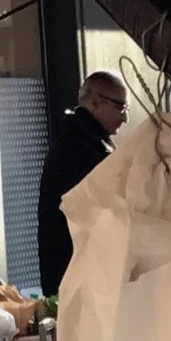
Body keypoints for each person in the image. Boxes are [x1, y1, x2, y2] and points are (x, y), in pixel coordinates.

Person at [36, 70, 127, 292]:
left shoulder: (86, 143)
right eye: (120, 107)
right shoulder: (77, 150)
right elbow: (101, 211)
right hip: (74, 274)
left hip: (73, 272)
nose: (124, 117)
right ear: (95, 102)